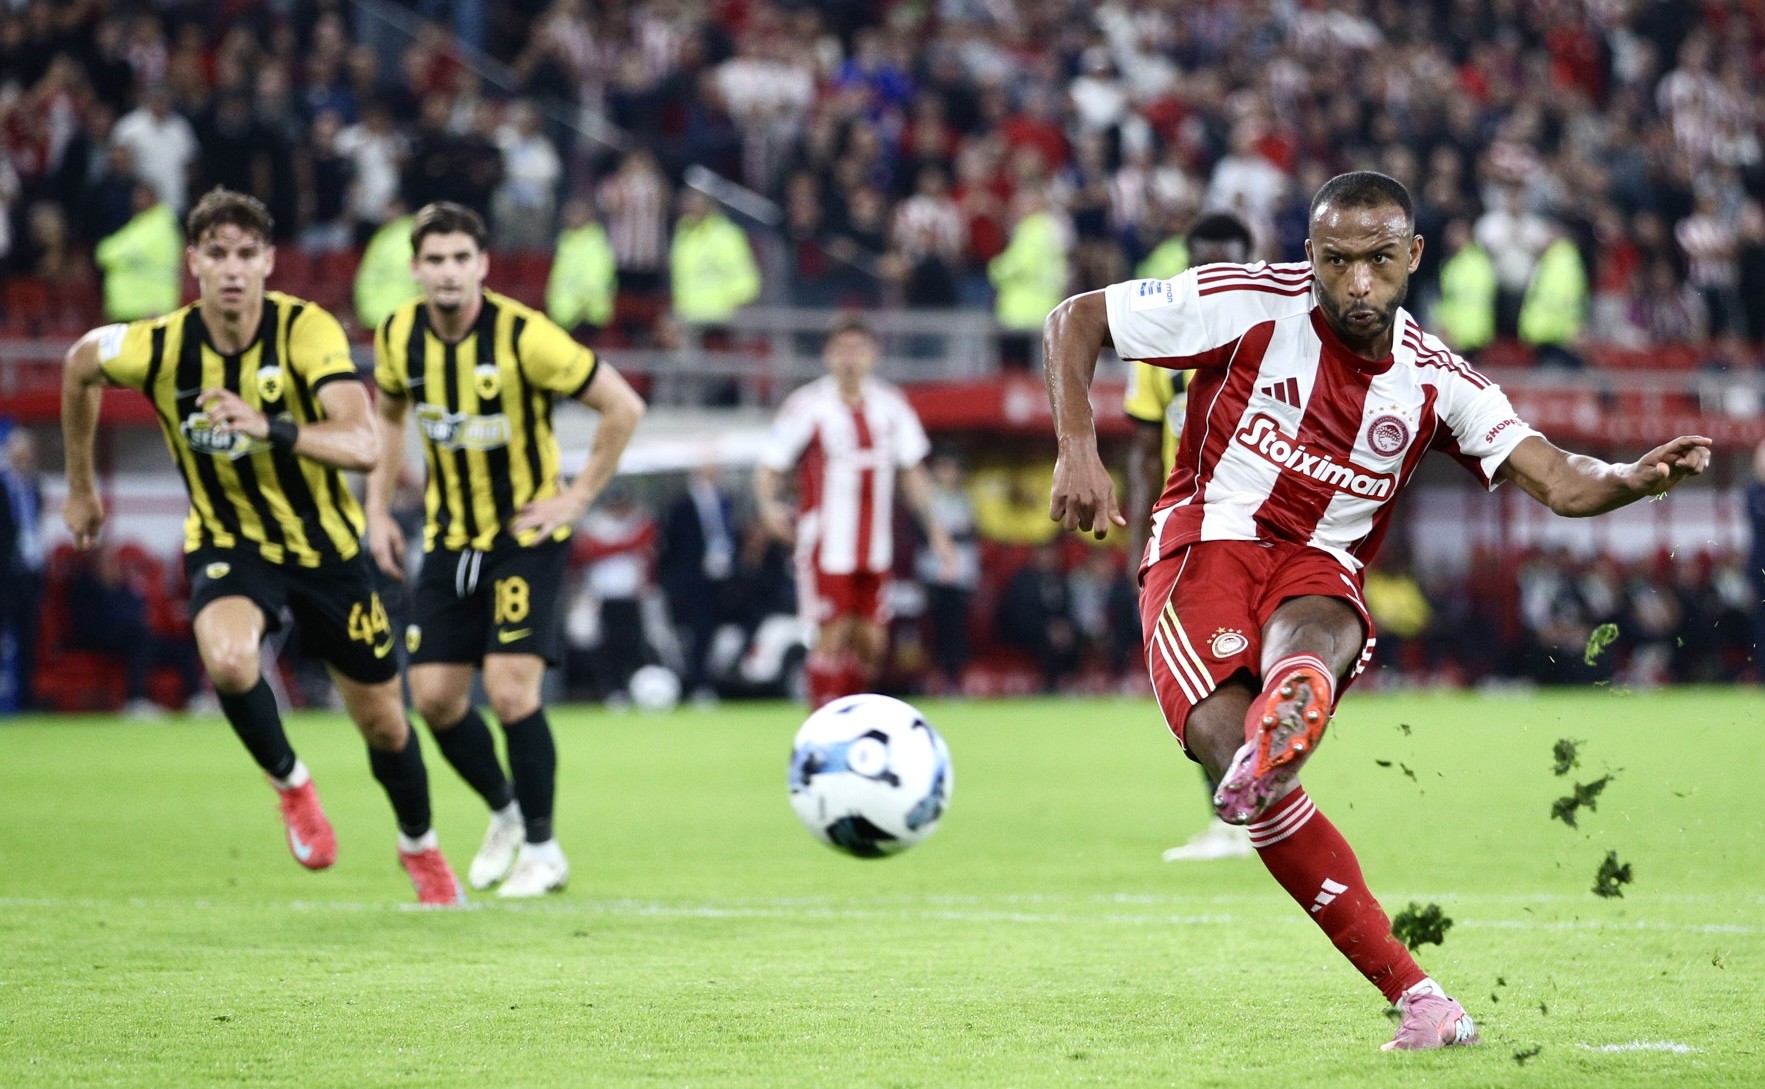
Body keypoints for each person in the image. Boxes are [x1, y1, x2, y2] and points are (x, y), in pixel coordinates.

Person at [1042, 171, 1711, 1050]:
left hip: (1320, 563)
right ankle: (1415, 987)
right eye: (1335, 261)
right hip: (1208, 542)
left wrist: (1628, 477)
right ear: (1309, 254)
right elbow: (1075, 318)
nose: (1357, 282)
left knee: (1313, 625)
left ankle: (1296, 698)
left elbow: (1555, 477)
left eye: (1379, 260)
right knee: (1237, 759)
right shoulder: (1244, 300)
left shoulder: (1436, 380)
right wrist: (1076, 446)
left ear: (1414, 255)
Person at [61, 187, 466, 905]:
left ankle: (420, 845)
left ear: (269, 261)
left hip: (327, 552)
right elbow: (78, 363)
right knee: (227, 657)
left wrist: (268, 427)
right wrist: (81, 486)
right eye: (217, 254)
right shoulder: (161, 345)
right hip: (229, 541)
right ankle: (292, 784)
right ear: (193, 262)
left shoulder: (305, 332)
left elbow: (365, 442)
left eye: (247, 253)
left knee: (383, 721)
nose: (232, 268)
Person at [366, 202, 645, 898]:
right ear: (415, 268)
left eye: (461, 258)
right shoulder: (398, 335)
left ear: (483, 265)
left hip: (525, 536)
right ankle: (507, 811)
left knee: (511, 688)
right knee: (433, 699)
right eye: (435, 260)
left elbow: (623, 405)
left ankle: (544, 851)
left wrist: (576, 498)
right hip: (448, 539)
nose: (448, 272)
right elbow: (389, 416)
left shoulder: (525, 335)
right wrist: (375, 508)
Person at [1121, 211, 1257, 863]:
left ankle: (1253, 812)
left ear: (1252, 265)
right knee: (1205, 679)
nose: (1214, 275)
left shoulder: (1284, 332)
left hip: (1270, 520)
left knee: (1260, 674)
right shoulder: (1157, 341)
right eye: (1202, 263)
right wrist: (1137, 542)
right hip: (1193, 527)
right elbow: (1143, 451)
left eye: (1227, 263)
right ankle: (1233, 818)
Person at [755, 316, 957, 708]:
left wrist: (936, 530)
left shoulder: (891, 406)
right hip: (825, 543)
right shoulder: (807, 406)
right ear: (828, 355)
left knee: (873, 644)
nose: (850, 359)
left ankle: (850, 714)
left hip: (876, 547)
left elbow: (912, 472)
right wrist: (768, 506)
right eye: (842, 350)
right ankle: (822, 722)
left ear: (873, 354)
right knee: (832, 634)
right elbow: (770, 464)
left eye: (858, 350)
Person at [657, 464, 739, 705]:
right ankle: (695, 683)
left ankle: (706, 680)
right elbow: (671, 546)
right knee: (693, 633)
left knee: (710, 632)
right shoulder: (681, 506)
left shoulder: (724, 501)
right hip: (690, 582)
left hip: (719, 580)